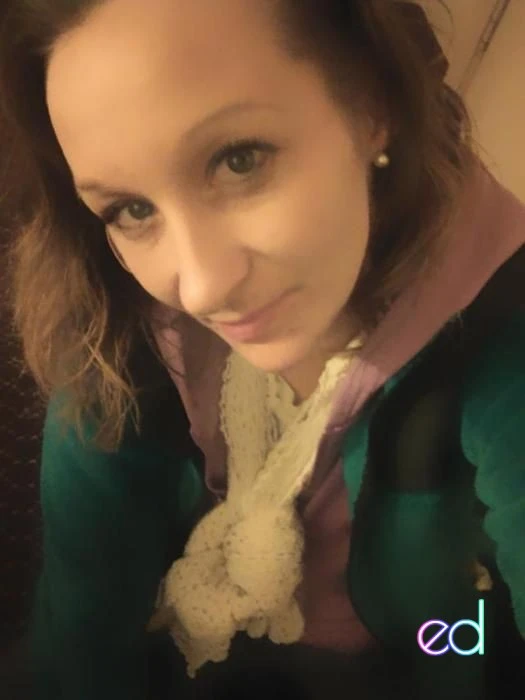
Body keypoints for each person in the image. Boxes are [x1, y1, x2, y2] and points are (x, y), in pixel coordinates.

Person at [0, 0, 524, 698]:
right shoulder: (119, 327)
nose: (198, 285)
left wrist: (459, 647)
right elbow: (81, 633)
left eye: (238, 160)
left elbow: (472, 636)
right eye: (131, 209)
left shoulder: (501, 329)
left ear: (371, 100)